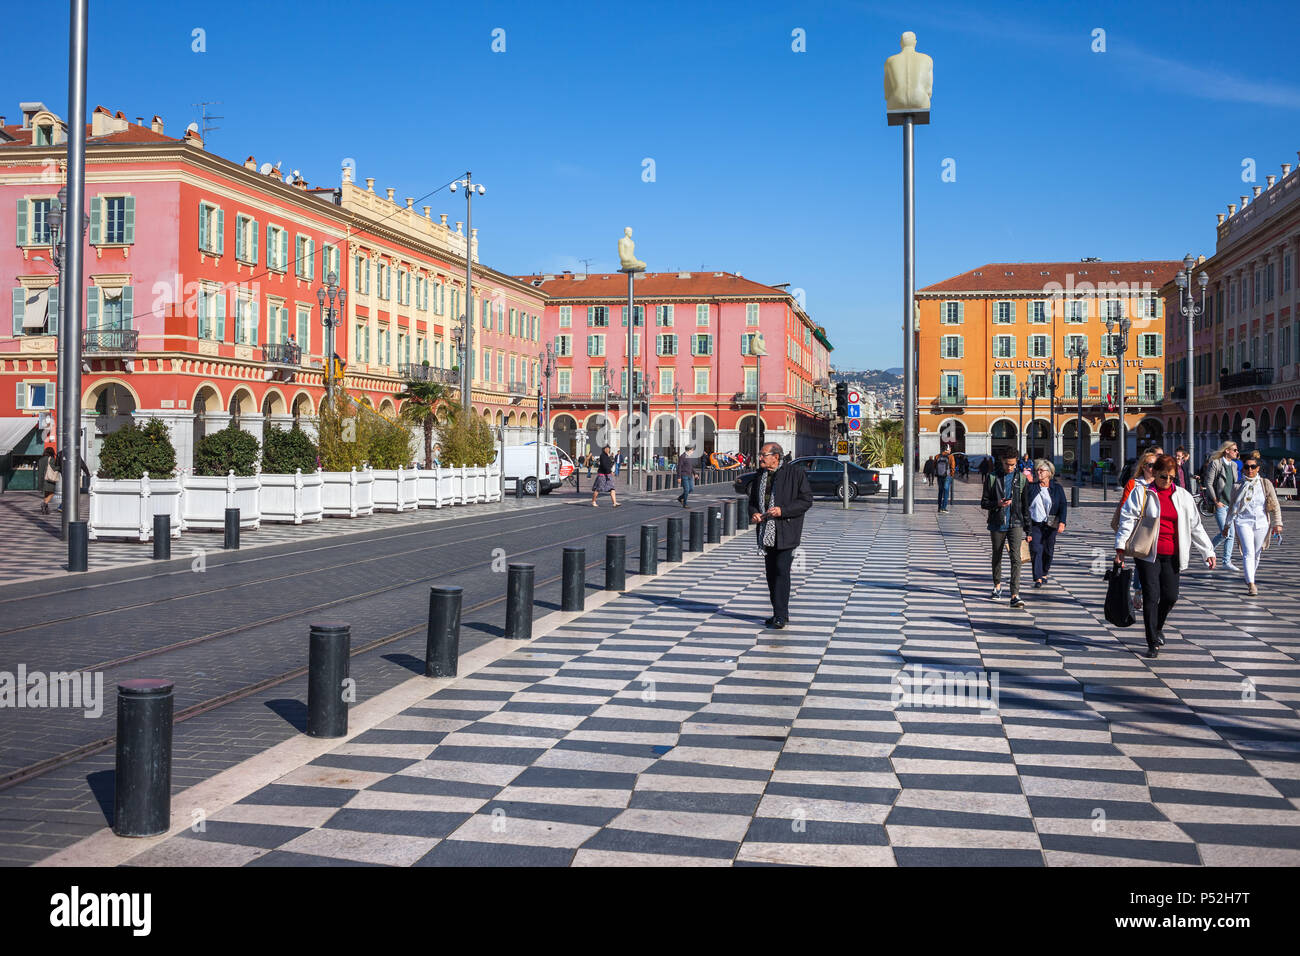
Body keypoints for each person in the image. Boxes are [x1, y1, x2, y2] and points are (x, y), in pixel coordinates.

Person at [1114, 455, 1216, 658]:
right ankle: (1152, 641)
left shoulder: (1183, 496)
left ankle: (1158, 626)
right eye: (1163, 477)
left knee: (1170, 597)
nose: (1167, 481)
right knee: (1151, 596)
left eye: (1171, 478)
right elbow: (1127, 518)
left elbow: (1195, 525)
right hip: (1147, 553)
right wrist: (1120, 548)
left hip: (1173, 553)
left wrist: (1208, 551)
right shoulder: (1142, 493)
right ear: (1154, 473)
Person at [749, 442, 813, 629]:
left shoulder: (795, 474)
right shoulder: (760, 475)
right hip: (765, 531)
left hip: (787, 530)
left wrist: (783, 511)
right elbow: (753, 501)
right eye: (760, 454)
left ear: (776, 457)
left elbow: (806, 500)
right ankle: (779, 612)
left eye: (763, 454)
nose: (760, 458)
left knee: (781, 571)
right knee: (771, 574)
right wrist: (753, 513)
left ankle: (780, 615)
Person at [1224, 456, 1284, 596]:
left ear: (1258, 468)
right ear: (1243, 469)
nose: (1249, 470)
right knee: (1248, 552)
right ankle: (1251, 583)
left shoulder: (1265, 483)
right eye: (1246, 467)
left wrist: (1277, 523)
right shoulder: (1237, 485)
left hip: (1261, 522)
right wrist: (1227, 525)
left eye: (1252, 467)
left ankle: (1250, 576)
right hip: (1242, 522)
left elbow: (1274, 505)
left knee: (1256, 553)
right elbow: (1232, 506)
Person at [981, 450, 1029, 609]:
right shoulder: (992, 477)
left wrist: (1028, 530)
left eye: (1013, 465)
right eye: (1007, 464)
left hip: (1015, 523)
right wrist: (998, 504)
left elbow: (1025, 506)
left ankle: (1015, 595)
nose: (1010, 468)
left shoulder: (1021, 479)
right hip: (997, 522)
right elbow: (984, 502)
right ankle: (997, 586)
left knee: (1016, 558)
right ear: (1001, 461)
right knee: (997, 554)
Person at [1025, 459, 1068, 588]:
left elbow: (1063, 505)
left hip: (1051, 523)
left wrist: (1062, 522)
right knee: (1036, 549)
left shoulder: (1057, 488)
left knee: (1048, 550)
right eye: (1037, 470)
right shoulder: (1032, 487)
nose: (1039, 472)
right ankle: (1038, 577)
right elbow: (1024, 504)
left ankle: (1044, 572)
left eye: (1042, 470)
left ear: (1049, 473)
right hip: (1035, 524)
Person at [1202, 440, 1241, 571]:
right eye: (1234, 450)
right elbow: (1208, 483)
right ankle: (1212, 555)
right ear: (1227, 451)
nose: (1237, 452)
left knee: (1229, 534)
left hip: (1232, 505)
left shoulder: (1234, 465)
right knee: (1227, 533)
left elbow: (1236, 484)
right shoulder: (1216, 463)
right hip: (1220, 503)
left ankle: (1225, 560)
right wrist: (1215, 500)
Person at [932, 446, 955, 513]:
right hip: (947, 476)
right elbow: (953, 467)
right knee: (946, 492)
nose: (950, 450)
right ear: (948, 449)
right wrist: (951, 475)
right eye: (950, 449)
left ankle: (939, 507)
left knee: (940, 491)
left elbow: (934, 466)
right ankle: (943, 508)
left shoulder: (937, 456)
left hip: (939, 476)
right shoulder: (951, 456)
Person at [37, 444, 58, 514]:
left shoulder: (40, 459)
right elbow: (54, 468)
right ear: (51, 452)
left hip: (42, 479)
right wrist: (60, 467)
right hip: (49, 479)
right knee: (52, 493)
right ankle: (44, 504)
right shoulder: (51, 459)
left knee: (46, 494)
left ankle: (45, 509)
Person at [675, 444, 697, 508]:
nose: (693, 451)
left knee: (691, 489)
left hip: (690, 475)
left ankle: (680, 498)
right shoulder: (682, 456)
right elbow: (679, 467)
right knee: (686, 490)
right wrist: (679, 477)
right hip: (684, 476)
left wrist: (695, 473)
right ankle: (685, 504)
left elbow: (691, 467)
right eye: (692, 450)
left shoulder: (689, 457)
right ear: (689, 450)